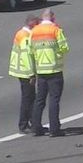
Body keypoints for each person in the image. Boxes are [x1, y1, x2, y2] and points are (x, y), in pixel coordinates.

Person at [30, 9, 69, 137]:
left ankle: (36, 127)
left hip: (41, 70)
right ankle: (54, 129)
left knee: (39, 100)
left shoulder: (34, 31)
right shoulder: (55, 29)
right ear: (52, 17)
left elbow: (30, 51)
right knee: (54, 100)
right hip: (54, 69)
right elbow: (64, 48)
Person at [8, 15, 39, 134]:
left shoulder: (21, 33)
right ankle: (24, 124)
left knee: (30, 97)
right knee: (28, 98)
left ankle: (32, 122)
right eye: (36, 24)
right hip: (24, 71)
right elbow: (26, 56)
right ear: (31, 23)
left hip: (21, 69)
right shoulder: (25, 36)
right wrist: (31, 74)